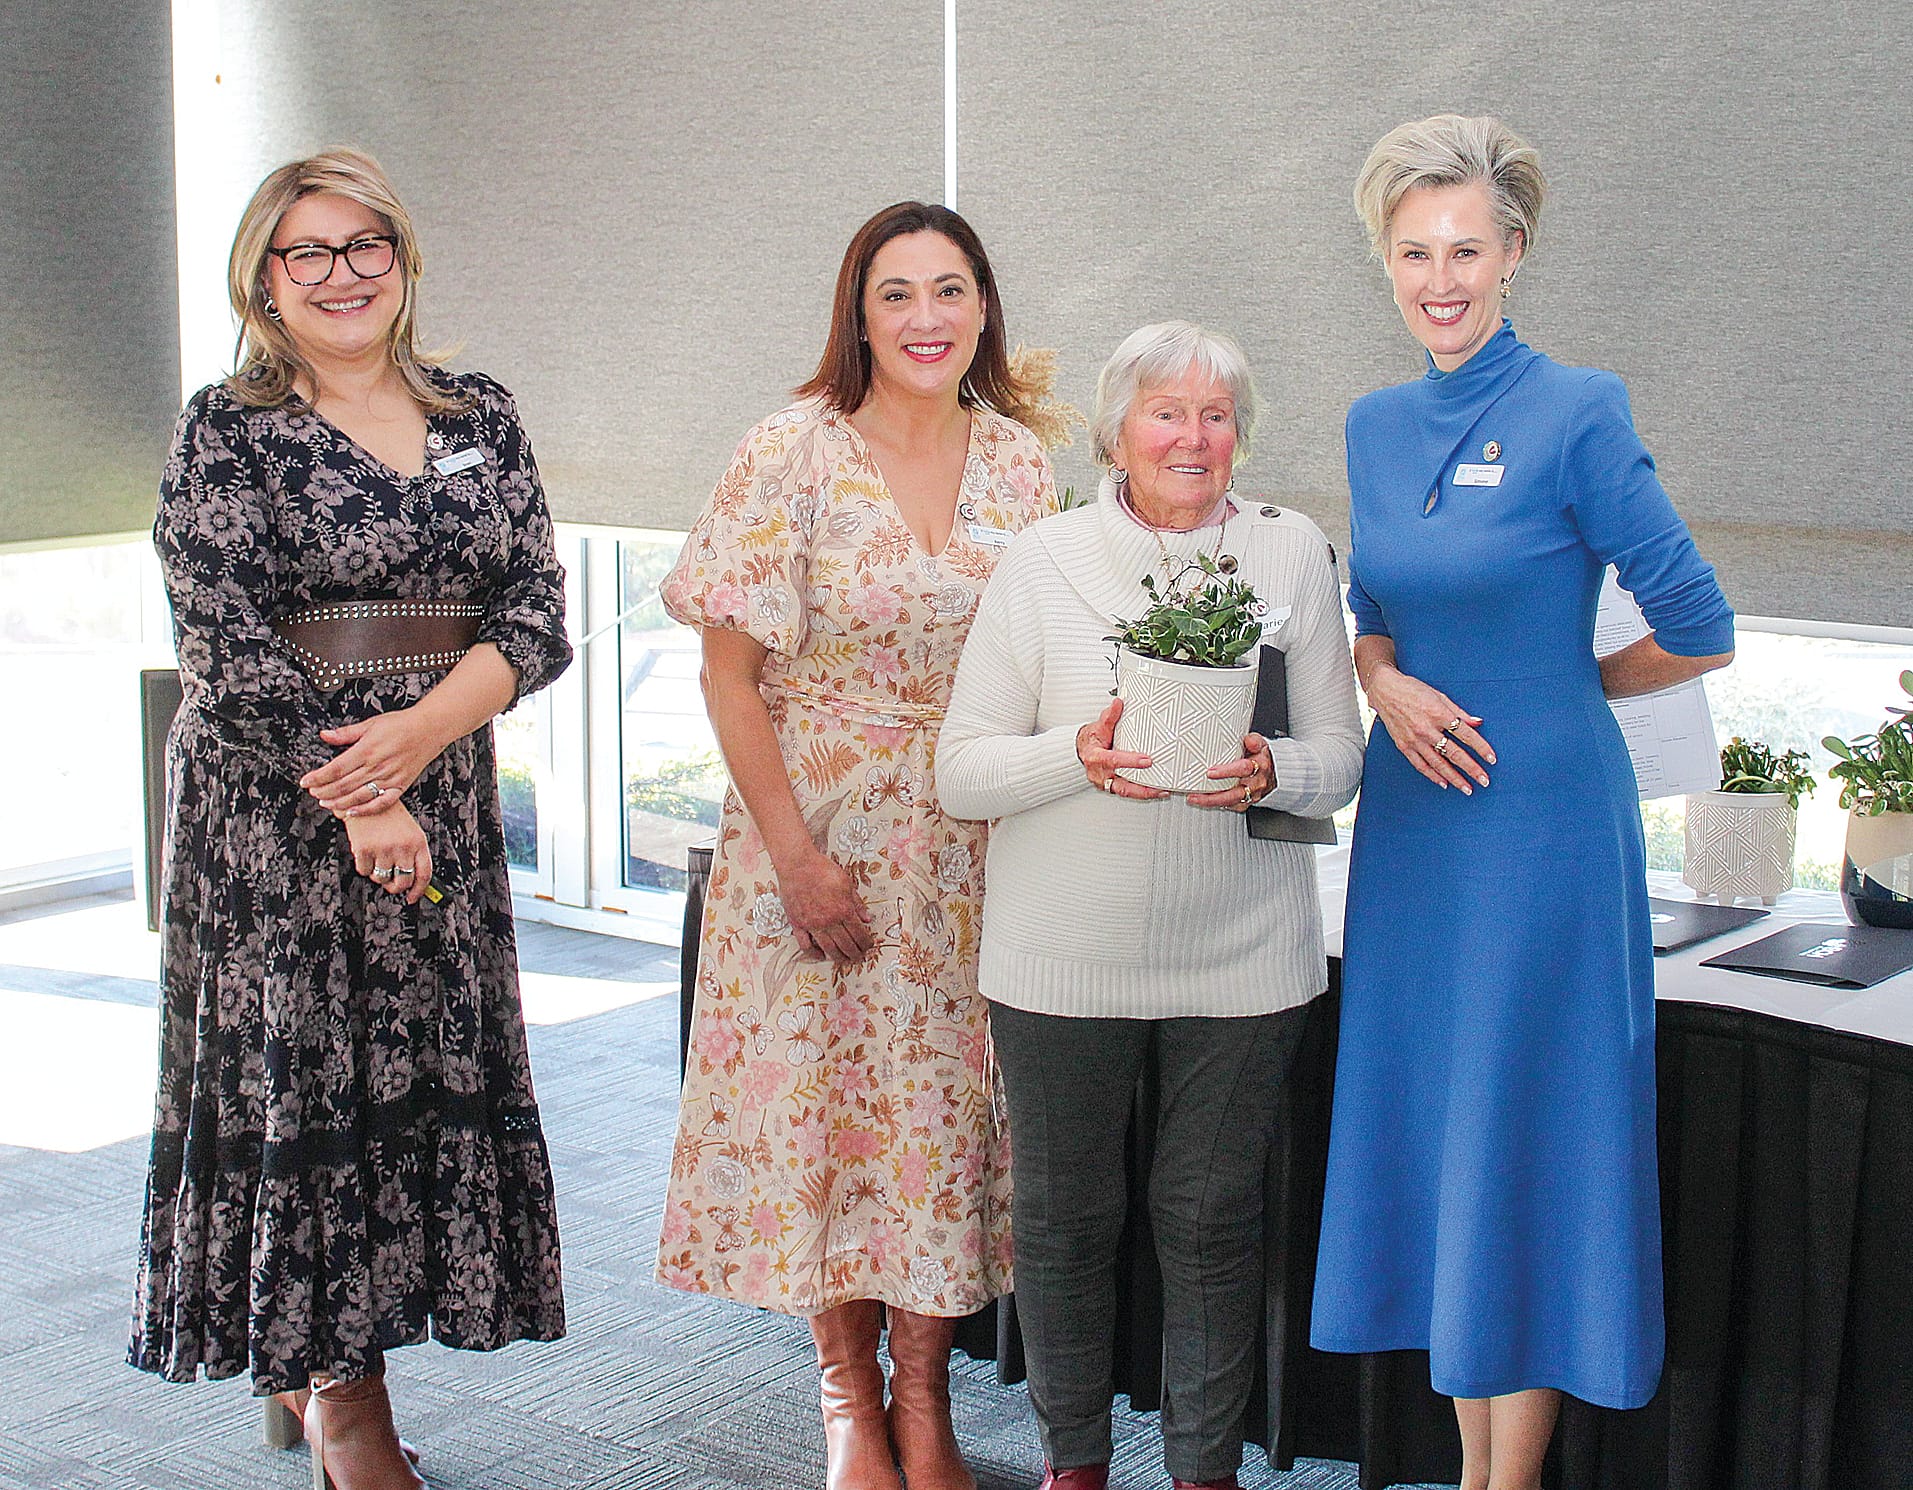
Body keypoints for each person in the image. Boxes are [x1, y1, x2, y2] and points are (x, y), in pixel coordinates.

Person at [129, 148, 571, 1490]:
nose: (339, 274)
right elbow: (226, 643)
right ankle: (343, 1403)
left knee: (408, 1088)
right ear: (264, 280)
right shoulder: (228, 428)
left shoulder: (479, 410)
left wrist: (419, 750)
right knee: (304, 1085)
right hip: (278, 814)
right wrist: (363, 796)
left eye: (361, 244)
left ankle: (348, 1368)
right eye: (304, 253)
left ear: (403, 256)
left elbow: (536, 616)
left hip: (434, 787)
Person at [1309, 115, 1735, 1490]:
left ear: (1514, 255)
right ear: (1384, 261)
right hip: (1419, 833)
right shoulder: (1375, 426)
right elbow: (1371, 600)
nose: (1442, 278)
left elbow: (1698, 619)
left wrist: (1566, 686)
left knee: (1524, 1130)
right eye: (1414, 251)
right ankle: (1474, 1469)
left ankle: (1509, 1480)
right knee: (1445, 1133)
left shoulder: (1577, 407)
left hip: (1541, 826)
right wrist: (1383, 678)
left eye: (1467, 250)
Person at [655, 201, 1057, 1490]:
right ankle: (846, 1399)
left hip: (971, 852)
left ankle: (925, 1398)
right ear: (858, 313)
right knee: (827, 1116)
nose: (926, 317)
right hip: (811, 833)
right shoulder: (788, 451)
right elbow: (728, 680)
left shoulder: (1021, 464)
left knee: (937, 1122)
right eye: (897, 293)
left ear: (984, 308)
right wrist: (794, 860)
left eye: (950, 290)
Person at [936, 321, 1364, 1490]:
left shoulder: (1289, 556)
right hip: (1058, 957)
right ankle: (1072, 1465)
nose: (1192, 435)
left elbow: (1340, 751)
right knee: (1067, 1222)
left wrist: (1279, 769)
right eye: (1165, 413)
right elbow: (959, 768)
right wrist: (1077, 755)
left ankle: (1202, 1473)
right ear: (1115, 431)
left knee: (1208, 1220)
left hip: (1244, 960)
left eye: (1215, 414)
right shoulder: (1042, 559)